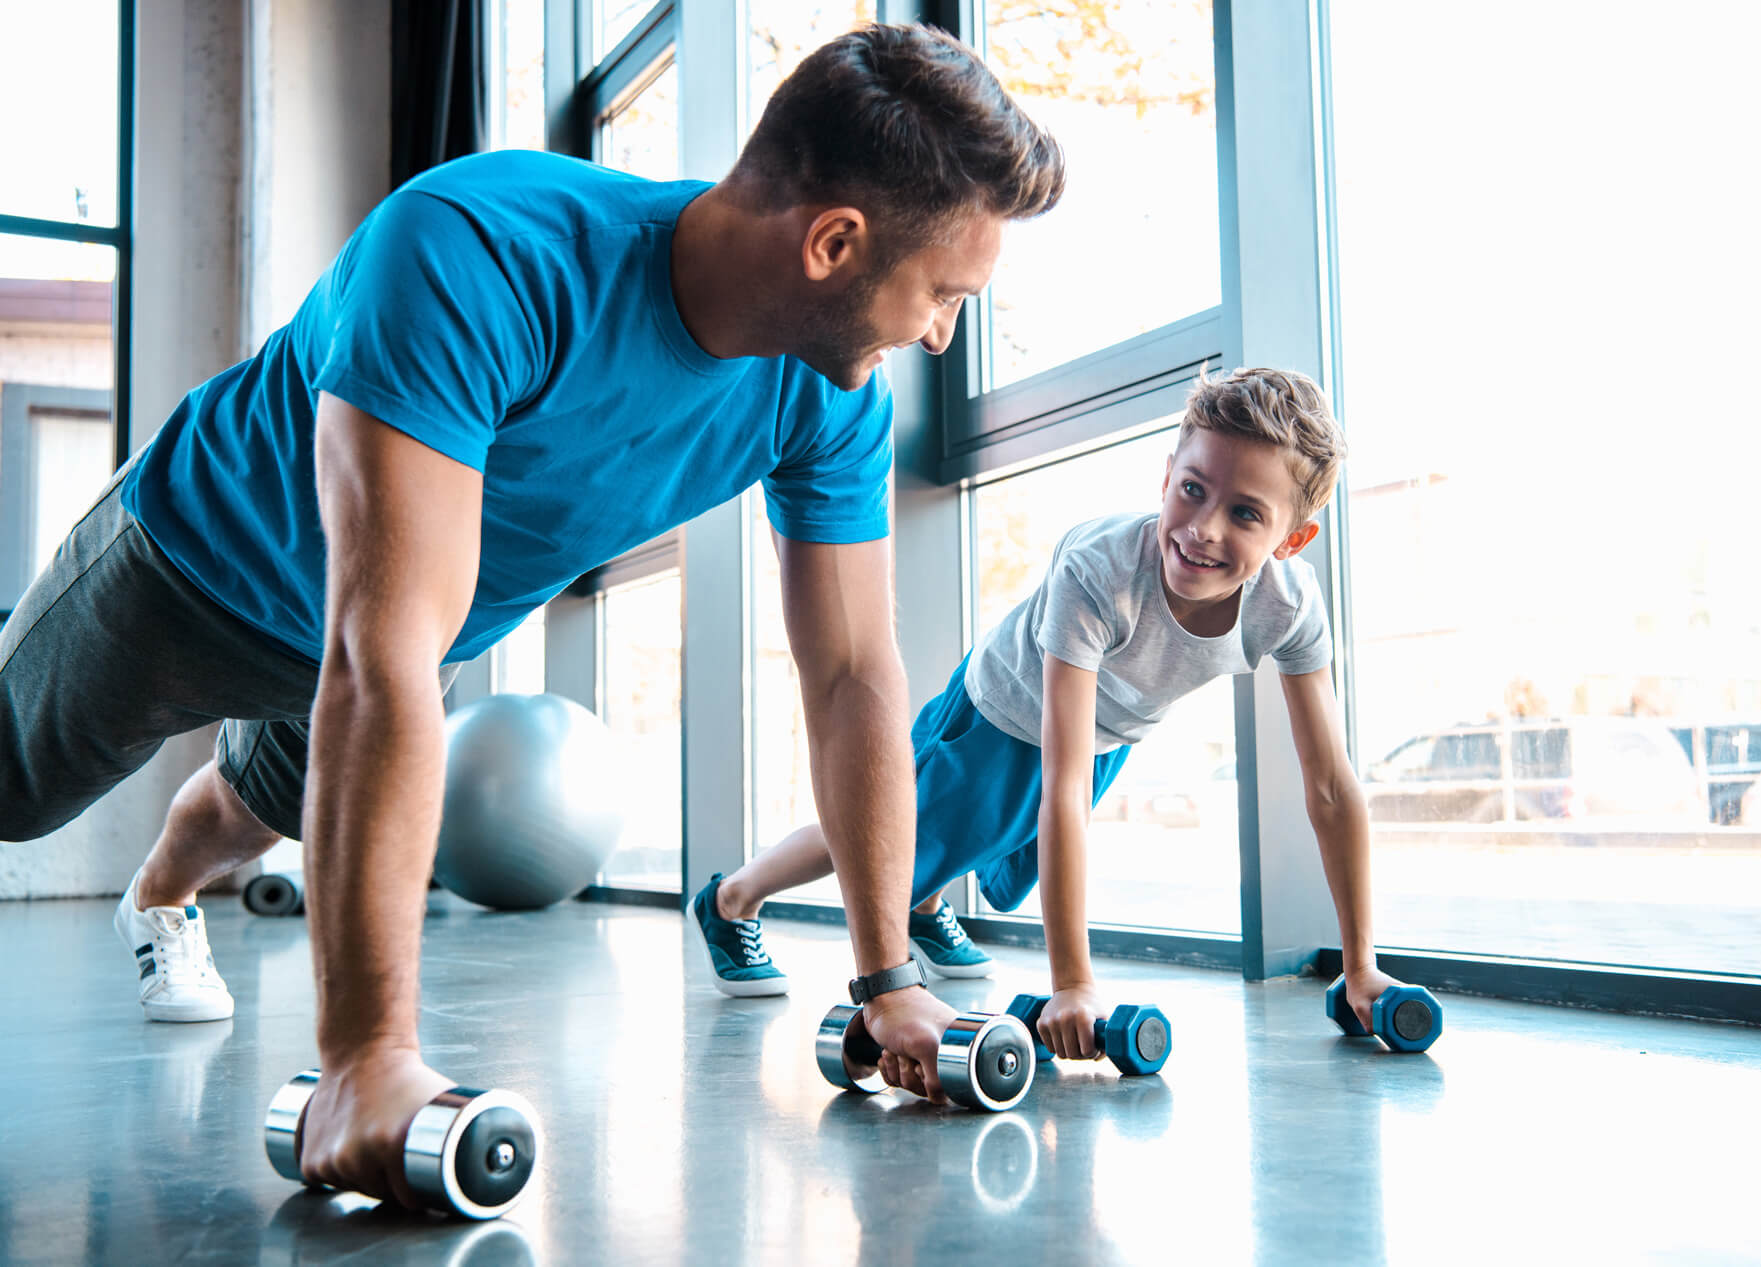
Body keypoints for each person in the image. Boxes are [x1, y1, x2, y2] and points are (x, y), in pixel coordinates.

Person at [0, 23, 1063, 1202]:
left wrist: (886, 978)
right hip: (190, 573)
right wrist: (365, 1062)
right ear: (832, 243)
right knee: (11, 790)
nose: (938, 334)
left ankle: (156, 897)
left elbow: (854, 676)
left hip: (377, 645)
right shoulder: (482, 248)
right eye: (942, 295)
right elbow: (379, 645)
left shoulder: (825, 398)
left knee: (261, 810)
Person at [695, 367, 1413, 1053]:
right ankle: (733, 898)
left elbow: (1330, 784)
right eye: (1192, 489)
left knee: (986, 862)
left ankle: (924, 899)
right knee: (885, 835)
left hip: (1107, 736)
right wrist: (1073, 983)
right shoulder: (1099, 569)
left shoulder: (1289, 607)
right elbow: (1060, 783)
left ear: (1291, 540)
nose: (1202, 527)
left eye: (1245, 514)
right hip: (998, 717)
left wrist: (1362, 964)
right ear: (1167, 476)